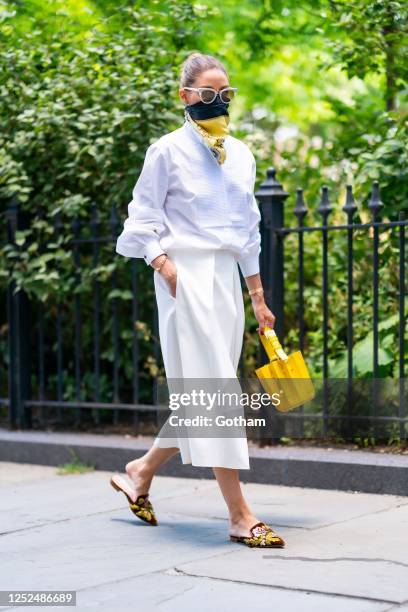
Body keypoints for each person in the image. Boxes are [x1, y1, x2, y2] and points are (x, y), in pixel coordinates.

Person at [110, 52, 285, 548]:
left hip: (226, 281)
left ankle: (139, 472)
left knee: (206, 394)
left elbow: (248, 229)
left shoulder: (243, 155)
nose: (218, 102)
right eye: (208, 94)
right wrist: (162, 264)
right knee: (217, 393)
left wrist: (256, 295)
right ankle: (239, 513)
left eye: (225, 95)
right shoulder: (165, 151)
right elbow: (140, 218)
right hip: (183, 278)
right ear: (186, 97)